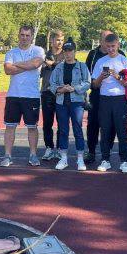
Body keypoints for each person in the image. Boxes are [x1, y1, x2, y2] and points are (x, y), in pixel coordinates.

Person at [1, 25, 45, 167]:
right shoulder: (11, 52)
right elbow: (8, 70)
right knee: (10, 126)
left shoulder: (38, 50)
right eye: (22, 35)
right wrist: (28, 65)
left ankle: (33, 155)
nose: (24, 38)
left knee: (32, 127)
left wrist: (18, 65)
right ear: (18, 35)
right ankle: (7, 156)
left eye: (27, 35)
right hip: (13, 95)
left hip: (31, 96)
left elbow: (36, 63)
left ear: (32, 37)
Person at [92, 33, 127, 173]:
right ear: (104, 45)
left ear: (118, 44)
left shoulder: (124, 61)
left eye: (113, 46)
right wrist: (101, 77)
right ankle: (105, 160)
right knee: (105, 130)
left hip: (119, 99)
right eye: (108, 46)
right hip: (104, 99)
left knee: (121, 131)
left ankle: (124, 161)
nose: (111, 49)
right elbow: (94, 85)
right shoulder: (100, 61)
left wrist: (117, 76)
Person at [49, 38, 91, 171]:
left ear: (75, 52)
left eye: (70, 51)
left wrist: (74, 88)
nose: (68, 54)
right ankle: (63, 158)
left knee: (78, 129)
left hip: (77, 102)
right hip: (61, 102)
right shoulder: (59, 67)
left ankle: (80, 159)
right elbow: (52, 84)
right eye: (65, 51)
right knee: (63, 130)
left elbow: (87, 83)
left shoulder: (82, 66)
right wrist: (61, 90)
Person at [84, 30, 125, 164]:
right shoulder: (93, 54)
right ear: (102, 41)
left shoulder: (122, 56)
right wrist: (99, 77)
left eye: (111, 42)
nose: (109, 45)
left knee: (112, 125)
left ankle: (107, 150)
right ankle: (91, 151)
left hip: (115, 96)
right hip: (97, 94)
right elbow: (88, 75)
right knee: (93, 123)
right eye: (105, 39)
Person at [40, 30, 65, 161]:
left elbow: (65, 69)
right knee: (47, 123)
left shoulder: (66, 55)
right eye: (57, 40)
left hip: (61, 93)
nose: (60, 42)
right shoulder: (44, 55)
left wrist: (52, 64)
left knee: (62, 122)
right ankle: (49, 148)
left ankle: (60, 149)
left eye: (62, 40)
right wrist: (43, 65)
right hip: (46, 92)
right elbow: (38, 72)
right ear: (52, 41)